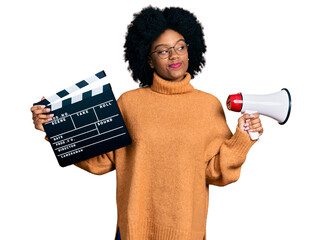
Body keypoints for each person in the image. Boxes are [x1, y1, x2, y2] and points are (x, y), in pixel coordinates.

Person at [31, 6, 263, 240]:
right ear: (148, 60)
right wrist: (54, 128)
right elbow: (101, 161)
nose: (174, 56)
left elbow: (216, 173)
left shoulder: (208, 105)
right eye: (163, 51)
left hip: (186, 233)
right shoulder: (129, 104)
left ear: (191, 50)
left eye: (181, 47)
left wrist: (243, 139)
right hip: (134, 231)